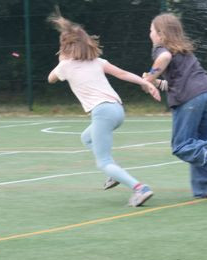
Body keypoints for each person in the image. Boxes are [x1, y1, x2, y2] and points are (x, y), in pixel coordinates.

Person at [47, 13, 162, 207]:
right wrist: (146, 84)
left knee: (103, 161)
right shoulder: (98, 62)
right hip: (117, 110)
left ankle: (140, 188)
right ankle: (113, 173)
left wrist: (62, 60)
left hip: (102, 112)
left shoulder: (65, 66)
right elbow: (123, 74)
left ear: (65, 47)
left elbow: (50, 79)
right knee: (86, 137)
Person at [144, 13, 207, 199]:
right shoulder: (184, 51)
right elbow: (175, 83)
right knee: (200, 142)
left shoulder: (162, 48)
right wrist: (157, 83)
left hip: (190, 99)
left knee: (182, 145)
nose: (149, 34)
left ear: (160, 33)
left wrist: (150, 77)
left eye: (151, 30)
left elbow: (164, 57)